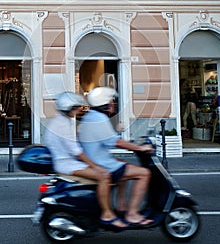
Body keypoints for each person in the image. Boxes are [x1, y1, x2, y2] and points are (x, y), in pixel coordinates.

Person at [44, 91, 128, 230]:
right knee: (104, 176)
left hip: (66, 161)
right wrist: (95, 166)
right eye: (76, 107)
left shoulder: (59, 120)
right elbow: (76, 151)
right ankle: (107, 214)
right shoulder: (63, 125)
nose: (78, 110)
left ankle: (102, 208)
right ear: (69, 108)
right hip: (67, 164)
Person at [79, 87, 154, 226]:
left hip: (95, 160)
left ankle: (121, 206)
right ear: (105, 104)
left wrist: (123, 138)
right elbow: (115, 142)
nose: (113, 104)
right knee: (144, 173)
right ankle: (132, 214)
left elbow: (107, 139)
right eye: (111, 102)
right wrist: (140, 148)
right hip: (101, 165)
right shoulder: (99, 119)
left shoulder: (90, 116)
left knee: (123, 163)